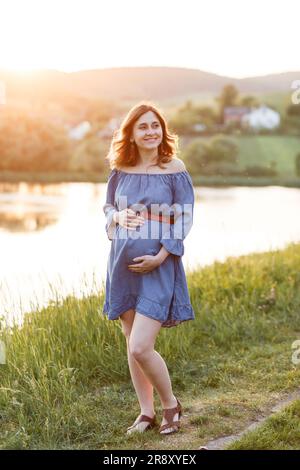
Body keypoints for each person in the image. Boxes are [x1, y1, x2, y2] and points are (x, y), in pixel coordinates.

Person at [102, 101, 195, 435]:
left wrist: (161, 255)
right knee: (131, 342)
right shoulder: (120, 170)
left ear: (162, 130)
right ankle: (146, 412)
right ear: (131, 133)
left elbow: (183, 218)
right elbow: (108, 207)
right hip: (122, 264)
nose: (151, 132)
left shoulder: (174, 168)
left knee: (141, 345)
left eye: (155, 125)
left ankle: (171, 405)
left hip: (158, 267)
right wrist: (116, 217)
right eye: (143, 126)